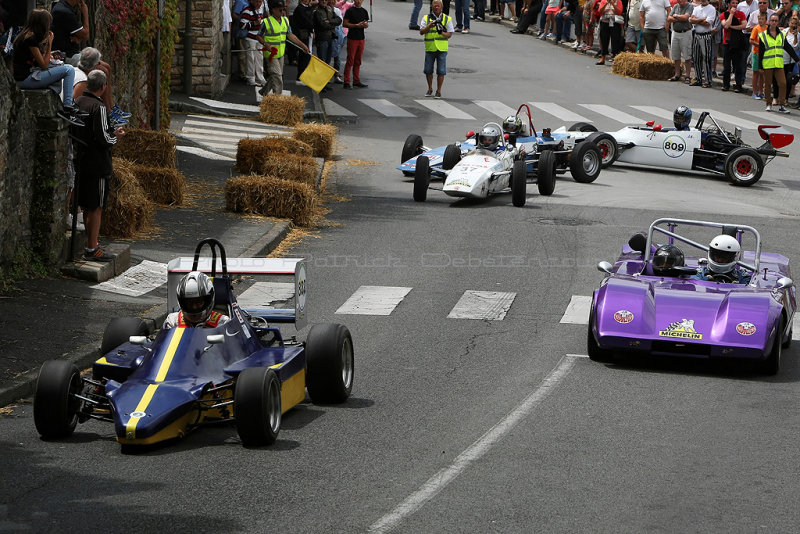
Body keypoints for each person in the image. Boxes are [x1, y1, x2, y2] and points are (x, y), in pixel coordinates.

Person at [74, 70, 122, 262]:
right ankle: (93, 248)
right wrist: (116, 136)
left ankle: (91, 243)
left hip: (80, 162)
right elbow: (103, 137)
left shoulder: (78, 102)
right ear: (103, 87)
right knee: (96, 206)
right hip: (97, 164)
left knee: (86, 205)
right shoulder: (99, 107)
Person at [12, 9, 76, 112]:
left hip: (25, 76)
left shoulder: (25, 35)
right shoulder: (30, 40)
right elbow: (44, 65)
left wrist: (49, 53)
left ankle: (68, 103)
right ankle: (68, 105)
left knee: (60, 66)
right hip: (25, 79)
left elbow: (35, 57)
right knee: (69, 69)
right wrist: (50, 43)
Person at [261, 0, 310, 95]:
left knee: (275, 76)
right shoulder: (266, 22)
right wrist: (265, 44)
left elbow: (291, 35)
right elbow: (259, 36)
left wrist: (303, 46)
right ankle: (278, 100)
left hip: (281, 53)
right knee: (278, 76)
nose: (282, 12)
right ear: (273, 10)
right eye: (280, 10)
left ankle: (264, 92)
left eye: (283, 9)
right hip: (271, 54)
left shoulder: (285, 21)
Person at [760, 13, 799, 112]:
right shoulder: (763, 35)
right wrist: (760, 66)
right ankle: (768, 103)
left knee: (783, 83)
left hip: (778, 63)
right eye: (772, 20)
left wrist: (797, 59)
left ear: (778, 22)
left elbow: (788, 47)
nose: (774, 22)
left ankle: (782, 104)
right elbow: (761, 52)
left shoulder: (781, 35)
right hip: (768, 63)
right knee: (768, 85)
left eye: (776, 21)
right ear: (769, 21)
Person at [163, 272, 231, 329]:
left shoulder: (222, 322)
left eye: (198, 302)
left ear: (208, 301)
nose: (194, 307)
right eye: (189, 302)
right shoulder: (172, 322)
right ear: (182, 303)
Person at [420, 0, 453, 98]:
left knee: (441, 71)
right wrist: (429, 26)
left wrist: (441, 32)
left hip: (442, 49)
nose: (436, 8)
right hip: (430, 48)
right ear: (431, 7)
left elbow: (450, 34)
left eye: (438, 6)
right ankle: (430, 88)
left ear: (442, 7)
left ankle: (439, 91)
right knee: (428, 70)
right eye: (434, 6)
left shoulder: (447, 19)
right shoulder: (426, 18)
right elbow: (421, 32)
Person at [314, 0, 341, 91]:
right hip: (322, 39)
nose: (324, 1)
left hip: (330, 38)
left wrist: (329, 21)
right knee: (322, 62)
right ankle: (320, 84)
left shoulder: (330, 9)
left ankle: (324, 83)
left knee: (327, 62)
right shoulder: (316, 11)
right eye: (322, 0)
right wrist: (332, 25)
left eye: (326, 0)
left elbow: (339, 20)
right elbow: (321, 25)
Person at [721, 0, 748, 92]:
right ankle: (726, 84)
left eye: (736, 3)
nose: (735, 5)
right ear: (729, 4)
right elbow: (726, 25)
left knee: (738, 65)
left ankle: (738, 84)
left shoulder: (741, 14)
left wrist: (733, 27)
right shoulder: (724, 14)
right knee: (727, 65)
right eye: (733, 3)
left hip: (738, 43)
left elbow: (744, 26)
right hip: (727, 42)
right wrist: (731, 14)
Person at [689, 0, 717, 87]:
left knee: (706, 58)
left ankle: (708, 81)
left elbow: (708, 23)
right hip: (696, 35)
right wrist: (701, 19)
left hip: (706, 35)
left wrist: (696, 20)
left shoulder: (711, 8)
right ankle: (698, 78)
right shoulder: (696, 8)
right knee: (696, 57)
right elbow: (691, 20)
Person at [342, 0, 369, 89]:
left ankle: (356, 80)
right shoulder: (350, 11)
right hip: (352, 38)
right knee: (350, 60)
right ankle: (346, 81)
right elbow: (345, 24)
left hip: (361, 38)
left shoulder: (364, 11)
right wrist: (356, 25)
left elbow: (366, 23)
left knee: (358, 60)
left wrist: (365, 25)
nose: (358, 1)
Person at [240, 0, 266, 86]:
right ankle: (250, 77)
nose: (258, 4)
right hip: (250, 38)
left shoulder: (260, 10)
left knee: (259, 57)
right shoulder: (247, 11)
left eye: (260, 2)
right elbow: (242, 25)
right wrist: (254, 23)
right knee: (250, 58)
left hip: (259, 38)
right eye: (257, 2)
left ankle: (260, 77)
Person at [668, 0, 694, 81]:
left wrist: (675, 16)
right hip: (675, 32)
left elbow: (686, 17)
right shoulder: (676, 6)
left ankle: (687, 75)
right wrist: (679, 17)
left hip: (685, 32)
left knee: (687, 55)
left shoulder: (689, 6)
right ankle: (677, 74)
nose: (680, 1)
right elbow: (669, 18)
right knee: (676, 55)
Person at [291, 0, 316, 83]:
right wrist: (314, 26)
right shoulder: (300, 9)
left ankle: (302, 76)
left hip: (307, 35)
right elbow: (306, 21)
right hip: (302, 35)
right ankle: (300, 77)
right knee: (305, 55)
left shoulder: (308, 8)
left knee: (306, 56)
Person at [595, 0, 623, 64]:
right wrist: (606, 4)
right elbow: (600, 11)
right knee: (604, 40)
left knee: (615, 40)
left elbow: (619, 12)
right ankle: (603, 58)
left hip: (615, 23)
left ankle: (614, 56)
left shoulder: (618, 1)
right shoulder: (603, 1)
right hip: (605, 22)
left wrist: (613, 4)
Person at [750, 11, 768, 100]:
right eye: (759, 19)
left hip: (765, 54)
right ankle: (754, 92)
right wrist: (759, 44)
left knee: (762, 73)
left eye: (762, 19)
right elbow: (751, 40)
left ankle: (761, 91)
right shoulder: (756, 28)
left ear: (766, 20)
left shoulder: (768, 29)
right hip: (757, 53)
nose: (760, 21)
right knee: (755, 72)